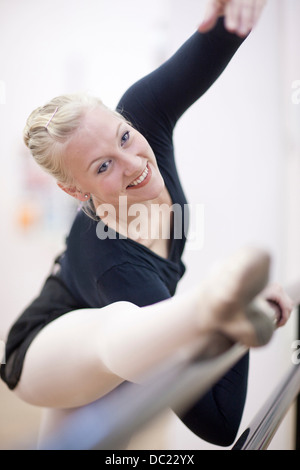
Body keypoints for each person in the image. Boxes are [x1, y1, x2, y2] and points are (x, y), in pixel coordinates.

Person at [0, 0, 293, 448]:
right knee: (117, 324)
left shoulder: (143, 120)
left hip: (117, 347)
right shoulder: (113, 266)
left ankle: (212, 304)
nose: (133, 163)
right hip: (47, 352)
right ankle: (210, 303)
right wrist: (230, 316)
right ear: (77, 192)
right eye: (102, 168)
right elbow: (218, 423)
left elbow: (218, 38)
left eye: (124, 136)